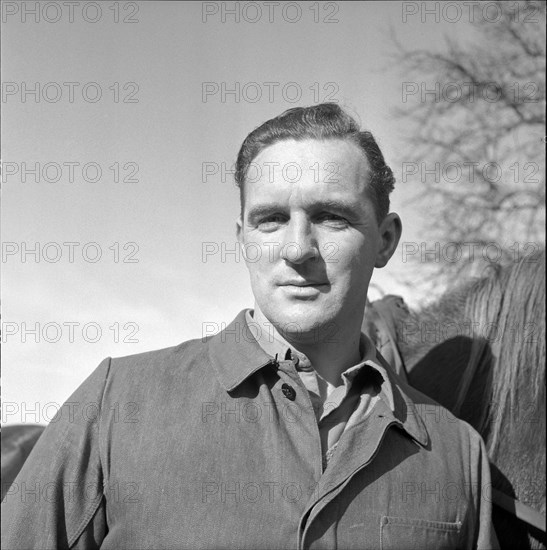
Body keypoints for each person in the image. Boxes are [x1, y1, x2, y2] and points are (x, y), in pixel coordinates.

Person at [1, 103, 499, 549]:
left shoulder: (456, 452)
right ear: (243, 238)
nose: (298, 248)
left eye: (331, 217)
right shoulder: (115, 403)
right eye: (271, 219)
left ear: (386, 240)